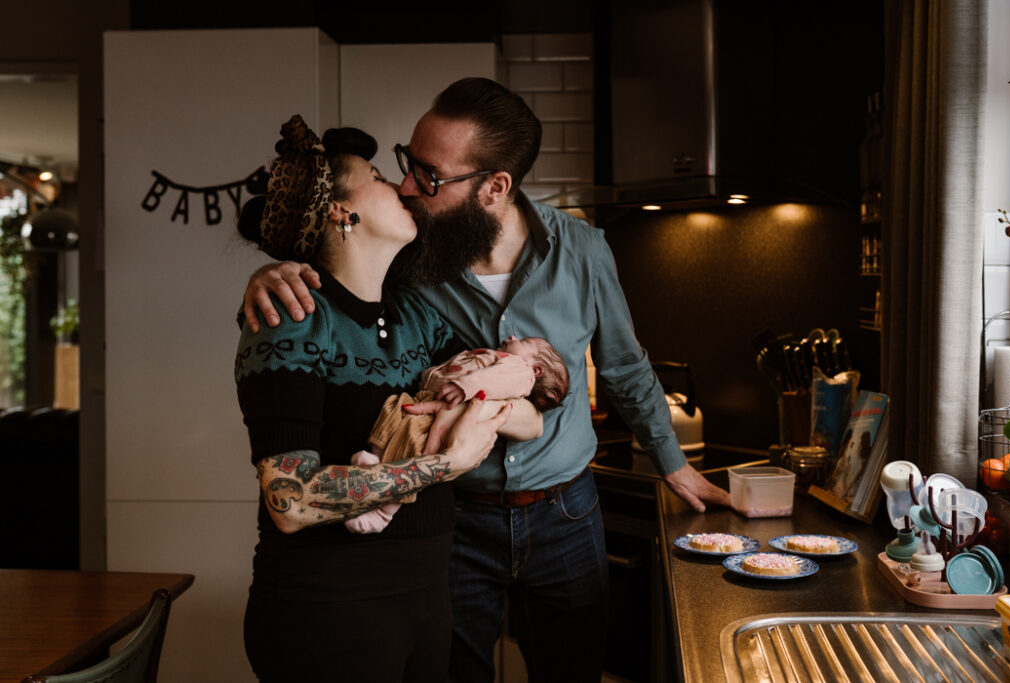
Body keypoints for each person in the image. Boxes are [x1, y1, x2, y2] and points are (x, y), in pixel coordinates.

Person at [242, 79, 731, 681]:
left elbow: (624, 366)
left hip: (564, 511)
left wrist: (672, 463)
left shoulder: (582, 251)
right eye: (404, 166)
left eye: (429, 176)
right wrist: (273, 273)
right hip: (454, 523)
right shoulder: (412, 257)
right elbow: (335, 275)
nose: (406, 187)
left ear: (494, 186)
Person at [233, 114, 545, 682]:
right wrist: (445, 463)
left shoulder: (415, 315)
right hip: (326, 612)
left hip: (426, 599)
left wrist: (489, 403)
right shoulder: (294, 318)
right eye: (378, 176)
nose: (401, 186)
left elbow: (529, 421)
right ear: (339, 210)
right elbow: (291, 501)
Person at [346, 334, 568, 534]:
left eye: (525, 342)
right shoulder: (495, 356)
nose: (513, 336)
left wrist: (466, 387)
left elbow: (494, 382)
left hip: (444, 411)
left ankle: (383, 513)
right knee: (393, 414)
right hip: (427, 398)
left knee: (413, 448)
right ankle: (377, 462)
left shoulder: (519, 369)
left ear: (536, 369)